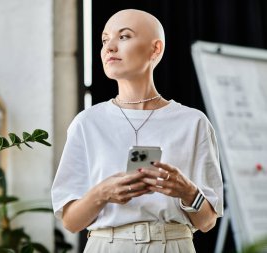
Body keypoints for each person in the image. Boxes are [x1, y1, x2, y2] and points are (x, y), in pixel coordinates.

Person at [51, 9, 223, 253]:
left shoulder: (193, 122)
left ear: (155, 49)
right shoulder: (87, 122)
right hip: (106, 245)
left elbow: (206, 222)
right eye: (104, 39)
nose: (109, 47)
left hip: (173, 244)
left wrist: (187, 191)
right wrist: (103, 192)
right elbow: (71, 221)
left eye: (124, 36)